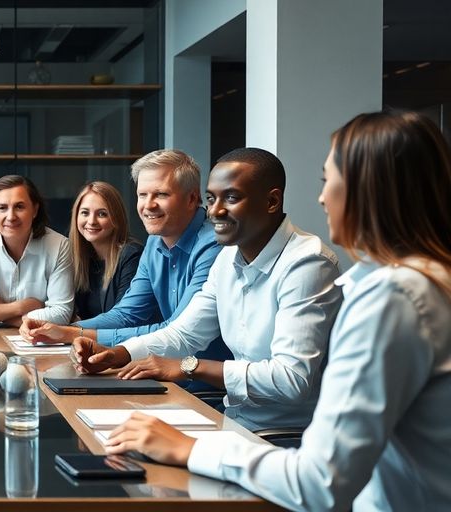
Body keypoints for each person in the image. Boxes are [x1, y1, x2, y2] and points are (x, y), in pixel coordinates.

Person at [104, 111, 451, 511]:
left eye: (328, 181)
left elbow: (318, 482)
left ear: (370, 190)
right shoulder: (419, 282)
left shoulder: (391, 297)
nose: (322, 198)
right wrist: (124, 352)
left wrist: (190, 448)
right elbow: (185, 331)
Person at [72, 148, 342, 432]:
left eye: (232, 198)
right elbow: (185, 333)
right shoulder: (227, 257)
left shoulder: (307, 264)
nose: (215, 211)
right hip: (233, 420)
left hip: (285, 437)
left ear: (272, 201)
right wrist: (119, 354)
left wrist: (190, 366)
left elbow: (291, 380)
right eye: (212, 199)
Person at [19, 150, 231, 389]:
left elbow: (175, 331)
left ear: (192, 199)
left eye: (161, 194)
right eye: (142, 195)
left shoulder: (214, 245)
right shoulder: (155, 242)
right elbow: (127, 314)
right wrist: (62, 330)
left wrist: (73, 334)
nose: (148, 205)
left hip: (209, 391)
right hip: (165, 379)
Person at [0, 175, 73, 327]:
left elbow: (61, 314)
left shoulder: (59, 246)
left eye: (19, 207)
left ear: (35, 210)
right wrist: (21, 306)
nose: (10, 217)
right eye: (2, 208)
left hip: (38, 342)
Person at [67, 181, 143, 319]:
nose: (91, 221)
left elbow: (123, 318)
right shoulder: (78, 257)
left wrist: (70, 329)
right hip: (85, 338)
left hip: (118, 339)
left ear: (116, 218)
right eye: (85, 213)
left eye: (102, 214)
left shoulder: (132, 255)